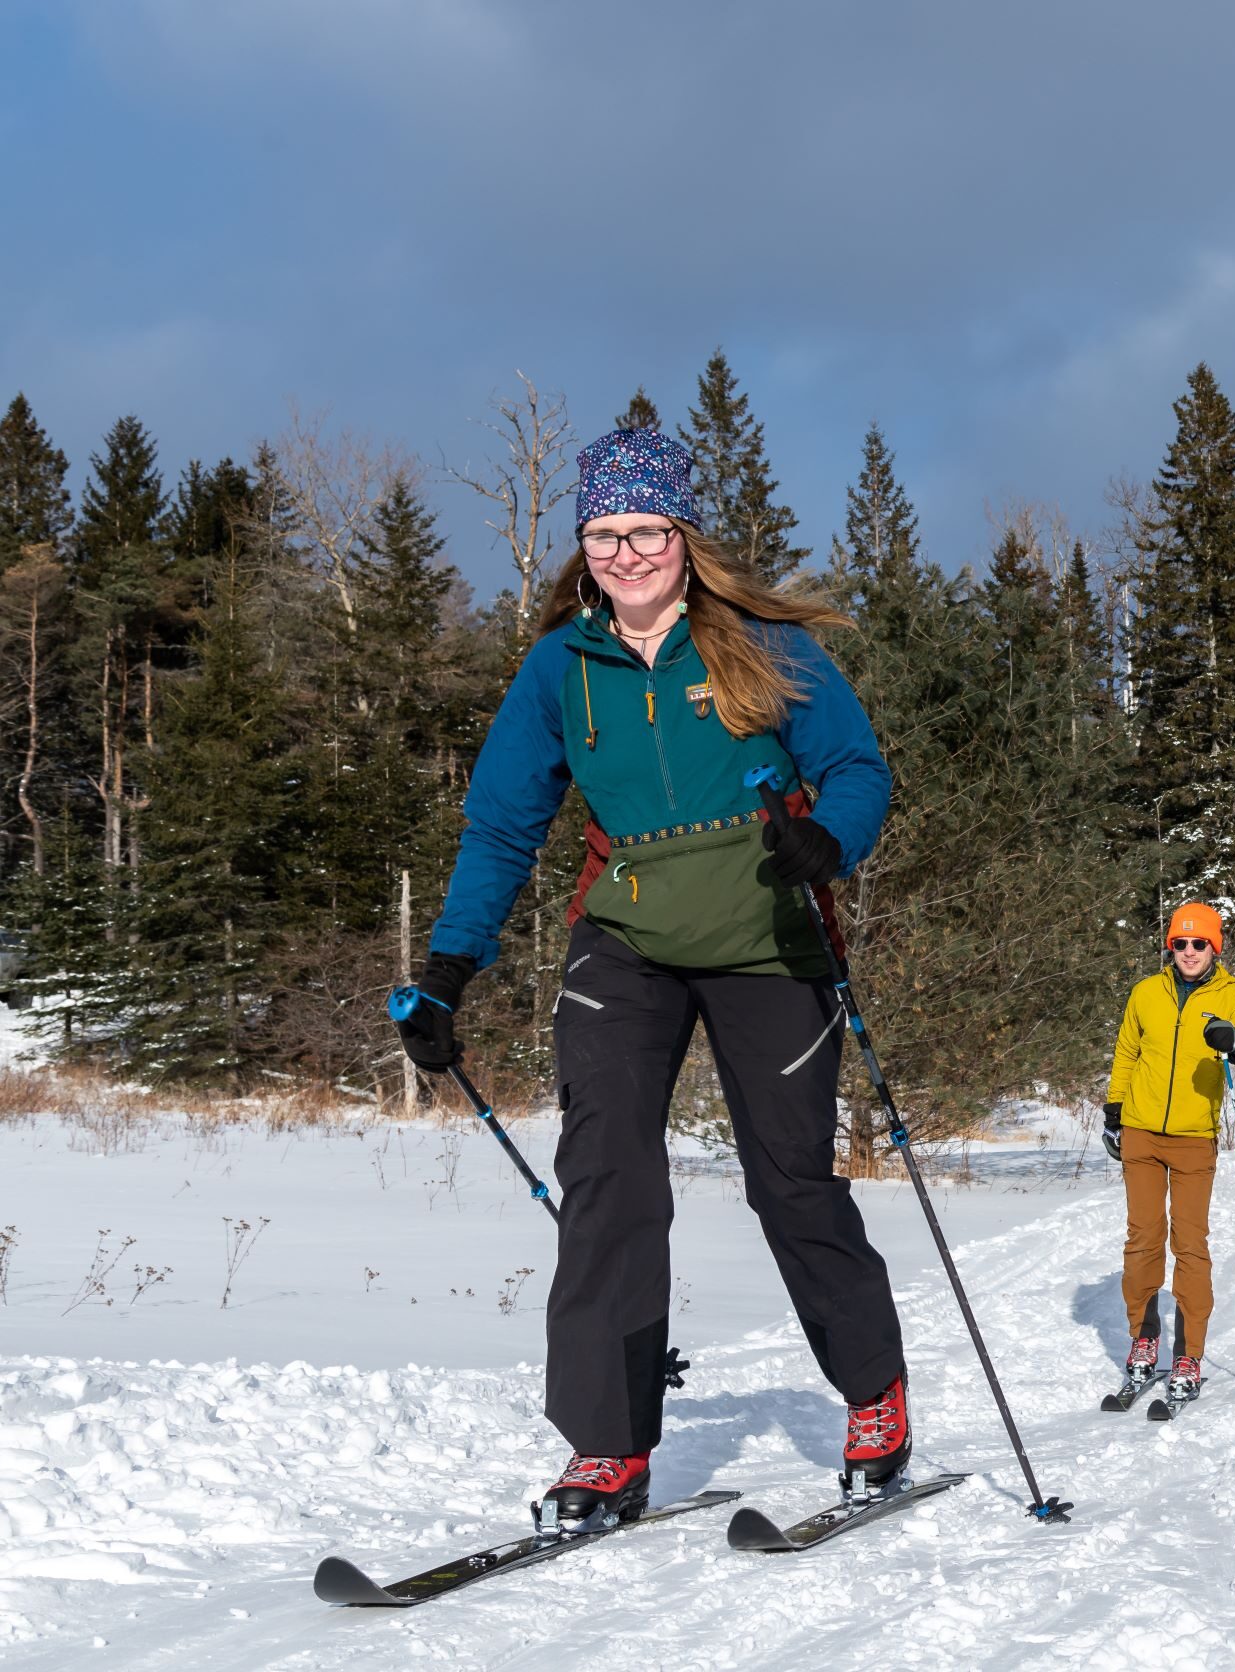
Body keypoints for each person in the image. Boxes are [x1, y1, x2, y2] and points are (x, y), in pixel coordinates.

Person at [395, 425, 910, 1527]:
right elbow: (500, 827)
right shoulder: (559, 668)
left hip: (767, 930)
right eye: (602, 534)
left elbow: (859, 767)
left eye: (644, 531)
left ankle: (875, 1393)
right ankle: (607, 1446)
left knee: (790, 1178)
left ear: (682, 535)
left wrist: (834, 842)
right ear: (580, 544)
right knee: (609, 1177)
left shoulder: (764, 644)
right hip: (625, 933)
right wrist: (449, 966)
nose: (624, 553)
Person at [1100, 902, 1235, 1404]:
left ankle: (1190, 1352)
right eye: (1180, 943)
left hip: (1195, 1138)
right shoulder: (1146, 993)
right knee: (1142, 1239)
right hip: (1141, 1134)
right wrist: (1114, 1109)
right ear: (1169, 946)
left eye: (1199, 943)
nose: (1189, 952)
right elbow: (1127, 1051)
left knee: (1190, 1244)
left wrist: (1234, 1044)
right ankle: (1144, 1340)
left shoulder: (1232, 997)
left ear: (1215, 947)